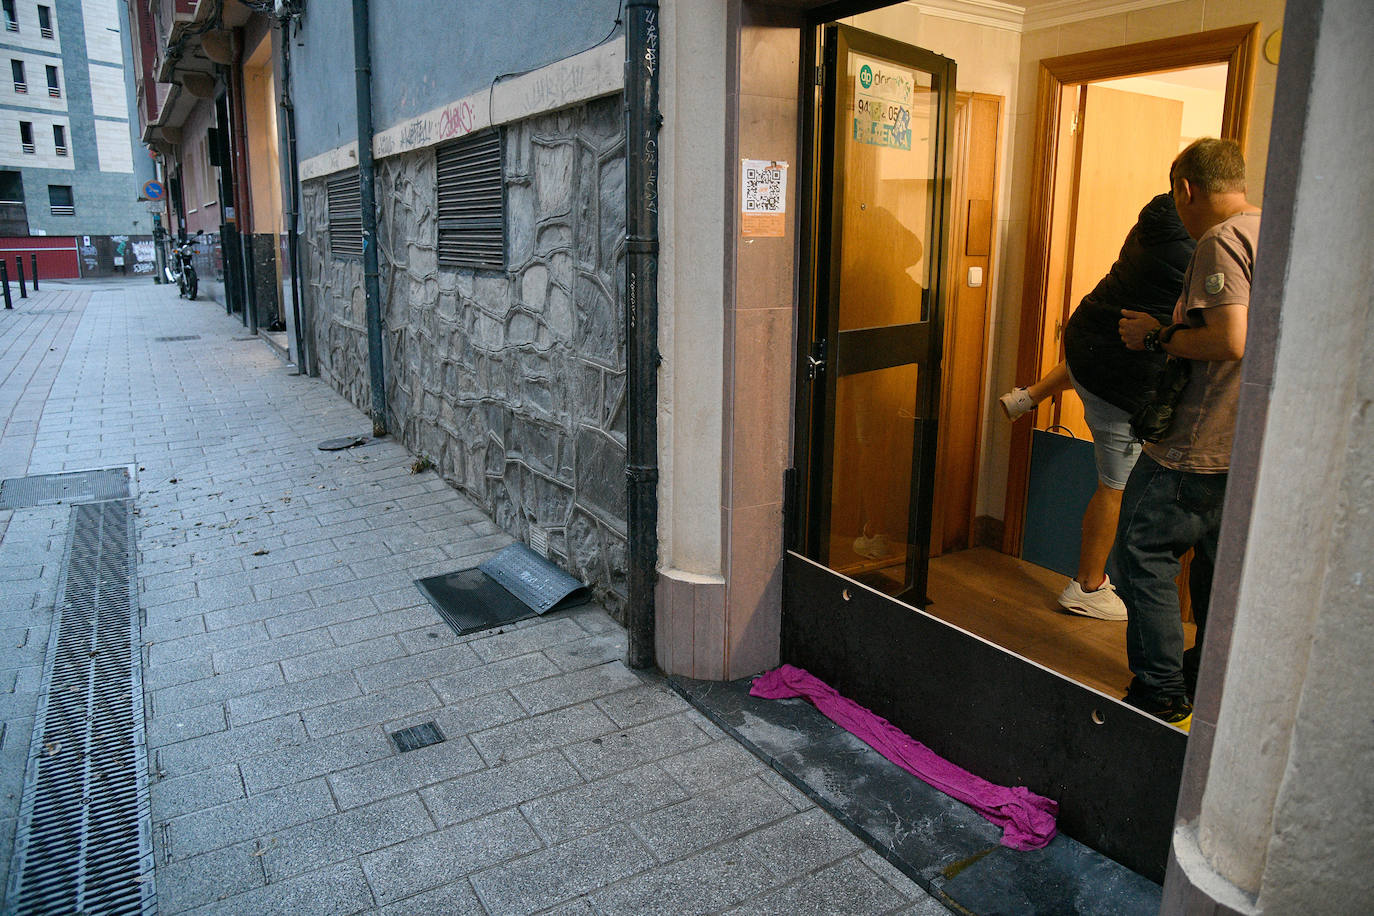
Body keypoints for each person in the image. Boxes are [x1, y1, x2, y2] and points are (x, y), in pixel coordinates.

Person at [1115, 138, 1260, 729]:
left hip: (1194, 446)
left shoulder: (1220, 240)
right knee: (1216, 568)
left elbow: (1228, 341)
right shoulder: (1273, 230)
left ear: (1186, 189)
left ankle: (1161, 696)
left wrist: (1155, 335)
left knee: (1140, 556)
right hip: (1248, 448)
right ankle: (1204, 684)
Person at [1001, 193, 1195, 620]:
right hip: (1122, 379)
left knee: (1088, 365)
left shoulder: (1156, 218)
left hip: (1087, 336)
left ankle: (1030, 396)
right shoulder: (1197, 249)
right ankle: (1087, 586)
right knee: (1116, 485)